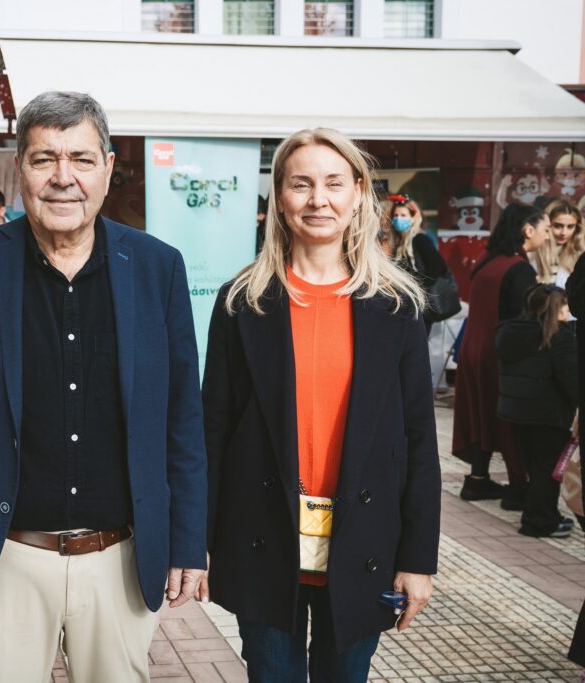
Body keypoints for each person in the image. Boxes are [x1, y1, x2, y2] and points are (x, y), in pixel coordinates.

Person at [0, 91, 207, 683]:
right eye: (44, 159)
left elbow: (182, 419)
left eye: (81, 159)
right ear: (19, 169)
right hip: (1, 559)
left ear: (108, 168)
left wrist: (188, 540)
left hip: (120, 560)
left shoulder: (157, 267)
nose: (63, 177)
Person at [200, 127, 440, 682]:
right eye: (301, 184)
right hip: (264, 538)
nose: (318, 200)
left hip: (364, 542)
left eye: (334, 183)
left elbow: (419, 441)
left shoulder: (397, 306)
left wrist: (418, 560)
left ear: (358, 193)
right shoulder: (242, 302)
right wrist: (199, 543)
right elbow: (212, 431)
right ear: (280, 198)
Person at [453, 204, 550, 509]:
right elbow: (524, 320)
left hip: (472, 348)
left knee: (481, 414)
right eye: (546, 229)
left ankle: (477, 479)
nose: (548, 236)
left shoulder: (487, 258)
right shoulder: (518, 268)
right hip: (497, 353)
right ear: (528, 230)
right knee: (509, 417)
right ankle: (518, 488)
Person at [495, 284, 577, 538]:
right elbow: (571, 379)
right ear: (555, 308)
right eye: (565, 305)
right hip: (549, 413)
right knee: (547, 470)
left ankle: (539, 514)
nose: (568, 310)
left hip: (517, 410)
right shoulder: (558, 336)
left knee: (534, 465)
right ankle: (540, 520)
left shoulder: (511, 332)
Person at [381, 193, 450, 332]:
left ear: (413, 218)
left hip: (421, 307)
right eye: (396, 215)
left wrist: (419, 288)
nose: (398, 219)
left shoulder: (419, 239)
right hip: (410, 305)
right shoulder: (400, 242)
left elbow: (438, 266)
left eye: (403, 215)